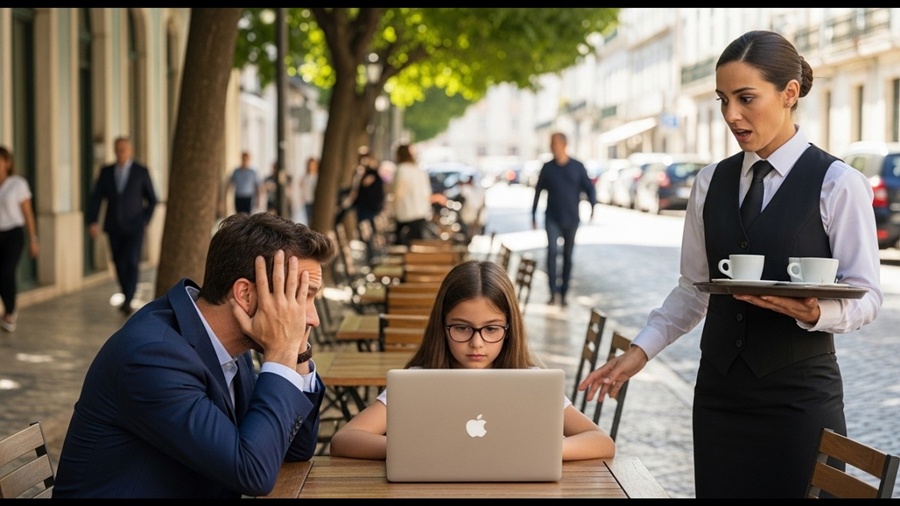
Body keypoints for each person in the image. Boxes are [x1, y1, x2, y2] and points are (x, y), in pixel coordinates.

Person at [578, 30, 883, 499]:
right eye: (723, 100)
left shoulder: (839, 184)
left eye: (745, 98)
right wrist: (636, 354)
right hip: (719, 397)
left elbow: (868, 295)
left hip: (798, 401)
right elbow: (692, 290)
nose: (731, 115)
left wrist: (817, 313)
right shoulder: (709, 183)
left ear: (789, 93)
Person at [53, 212, 337, 498]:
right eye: (301, 296)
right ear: (246, 295)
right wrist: (280, 353)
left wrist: (296, 355)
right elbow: (253, 473)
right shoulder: (152, 358)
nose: (313, 318)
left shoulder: (227, 342)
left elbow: (295, 450)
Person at [329, 260, 615, 461]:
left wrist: (539, 450)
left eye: (491, 329)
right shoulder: (419, 380)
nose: (476, 343)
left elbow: (601, 441)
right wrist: (414, 449)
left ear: (509, 329)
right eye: (462, 328)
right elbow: (344, 439)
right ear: (442, 326)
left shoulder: (530, 380)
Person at [87, 136, 158, 316]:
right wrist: (93, 221)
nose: (120, 152)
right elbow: (97, 198)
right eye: (117, 149)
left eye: (124, 149)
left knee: (132, 261)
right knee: (118, 261)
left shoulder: (140, 171)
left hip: (135, 226)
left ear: (130, 150)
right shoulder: (106, 172)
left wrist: (145, 220)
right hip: (113, 226)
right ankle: (126, 291)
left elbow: (152, 200)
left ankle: (128, 298)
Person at [531, 132, 596, 307]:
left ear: (564, 145)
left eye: (556, 144)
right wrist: (533, 214)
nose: (553, 147)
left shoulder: (577, 167)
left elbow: (590, 188)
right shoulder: (547, 168)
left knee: (568, 256)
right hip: (552, 217)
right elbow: (538, 192)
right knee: (552, 252)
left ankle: (564, 292)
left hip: (572, 218)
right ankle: (552, 292)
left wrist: (592, 207)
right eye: (551, 144)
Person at [0, 146, 39, 333]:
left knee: (7, 270)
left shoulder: (18, 184)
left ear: (7, 163)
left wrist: (33, 238)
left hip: (14, 233)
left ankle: (10, 311)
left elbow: (28, 213)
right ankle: (8, 307)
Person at [391, 143, 435, 246]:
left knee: (402, 245)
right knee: (418, 246)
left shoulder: (401, 169)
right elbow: (427, 193)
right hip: (421, 213)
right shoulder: (419, 170)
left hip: (405, 214)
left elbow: (399, 192)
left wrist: (392, 209)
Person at [300, 157, 318, 225]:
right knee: (309, 219)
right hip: (308, 201)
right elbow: (303, 188)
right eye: (310, 165)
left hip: (315, 201)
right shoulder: (305, 177)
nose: (311, 166)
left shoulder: (317, 176)